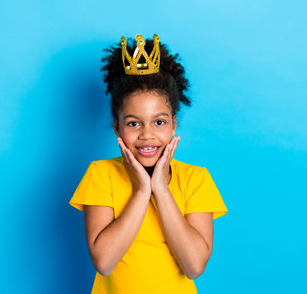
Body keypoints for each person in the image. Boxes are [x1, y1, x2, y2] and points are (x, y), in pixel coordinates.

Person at [69, 34, 228, 294]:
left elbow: (194, 266)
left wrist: (161, 190)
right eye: (133, 123)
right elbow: (104, 263)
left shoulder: (196, 179)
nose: (147, 134)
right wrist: (143, 190)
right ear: (117, 126)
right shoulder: (101, 175)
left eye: (159, 122)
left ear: (173, 124)